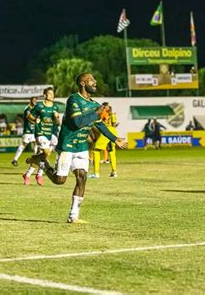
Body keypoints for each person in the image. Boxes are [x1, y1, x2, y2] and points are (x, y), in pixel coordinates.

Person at [26, 72, 127, 223]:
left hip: (81, 146)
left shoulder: (94, 105)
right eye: (91, 80)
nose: (95, 82)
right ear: (82, 83)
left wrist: (115, 139)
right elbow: (77, 123)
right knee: (60, 180)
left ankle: (73, 216)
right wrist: (96, 114)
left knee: (82, 177)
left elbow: (99, 124)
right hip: (67, 144)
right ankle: (42, 161)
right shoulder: (73, 99)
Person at [22, 87, 60, 186]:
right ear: (45, 95)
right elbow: (29, 116)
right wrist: (35, 121)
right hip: (40, 133)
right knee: (46, 153)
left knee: (43, 156)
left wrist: (56, 117)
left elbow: (57, 123)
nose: (52, 96)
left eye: (53, 94)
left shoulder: (55, 107)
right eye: (50, 94)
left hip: (50, 134)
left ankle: (29, 173)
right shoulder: (39, 106)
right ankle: (38, 173)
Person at [90, 105, 119, 178]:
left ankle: (96, 173)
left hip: (106, 130)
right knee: (111, 151)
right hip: (113, 131)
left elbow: (100, 123)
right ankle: (114, 172)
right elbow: (114, 125)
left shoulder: (103, 112)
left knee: (96, 150)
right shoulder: (111, 114)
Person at [11, 97, 37, 166]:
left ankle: (35, 160)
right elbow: (28, 118)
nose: (34, 101)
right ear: (30, 101)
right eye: (33, 100)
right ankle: (15, 159)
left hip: (34, 130)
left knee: (36, 144)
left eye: (35, 100)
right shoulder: (27, 109)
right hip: (28, 130)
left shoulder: (35, 109)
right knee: (24, 144)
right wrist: (35, 122)